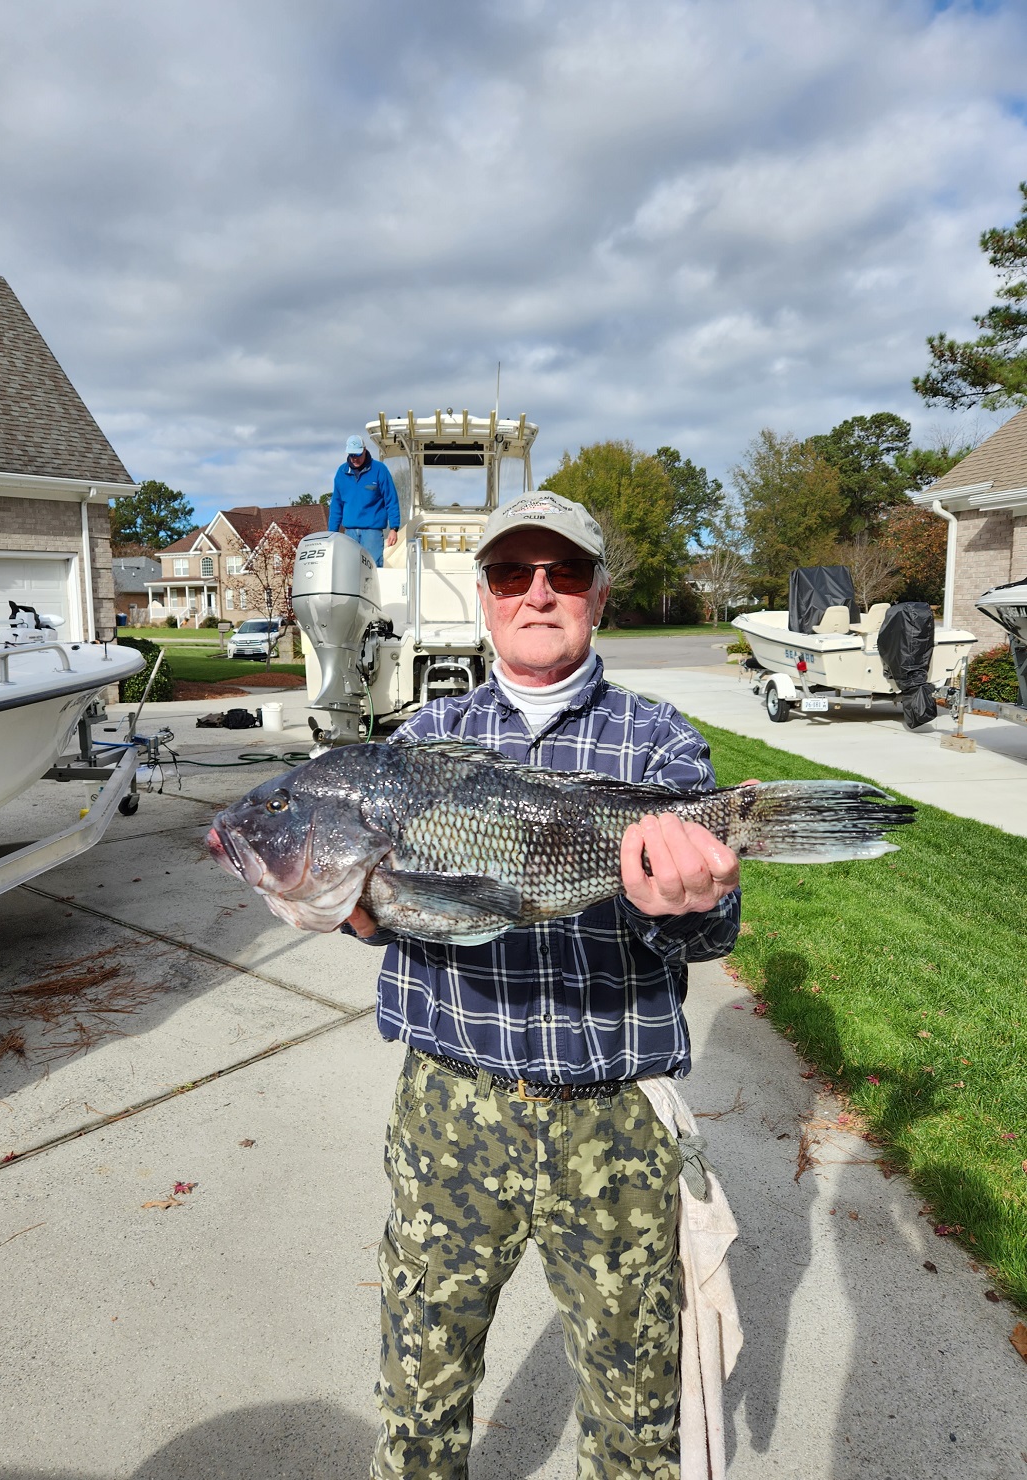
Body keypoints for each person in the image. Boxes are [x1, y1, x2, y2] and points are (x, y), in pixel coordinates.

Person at [346, 491, 742, 1480]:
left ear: (598, 594)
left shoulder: (658, 743)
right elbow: (390, 911)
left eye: (562, 572)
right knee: (418, 1388)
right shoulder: (420, 741)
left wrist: (683, 904)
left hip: (615, 1119)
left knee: (635, 1411)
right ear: (483, 596)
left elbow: (711, 931)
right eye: (510, 574)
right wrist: (355, 906)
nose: (536, 593)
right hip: (451, 1111)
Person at [328, 435, 401, 568]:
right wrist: (332, 533)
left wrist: (394, 528)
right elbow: (336, 506)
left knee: (372, 568)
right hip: (350, 532)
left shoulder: (379, 469)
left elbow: (391, 499)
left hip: (372, 532)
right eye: (351, 455)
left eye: (357, 454)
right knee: (350, 569)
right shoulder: (341, 472)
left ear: (365, 450)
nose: (354, 458)